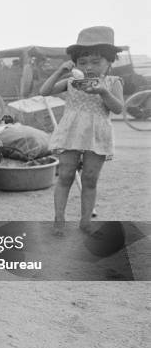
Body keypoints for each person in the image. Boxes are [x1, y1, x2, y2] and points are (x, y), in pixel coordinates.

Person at [40, 26, 124, 236]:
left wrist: (103, 91)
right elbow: (44, 91)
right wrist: (61, 70)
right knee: (66, 175)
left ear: (109, 62)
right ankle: (59, 219)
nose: (89, 67)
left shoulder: (112, 82)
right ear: (76, 64)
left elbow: (118, 108)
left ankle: (85, 222)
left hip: (97, 136)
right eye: (83, 62)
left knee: (90, 179)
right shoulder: (71, 81)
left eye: (96, 62)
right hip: (71, 134)